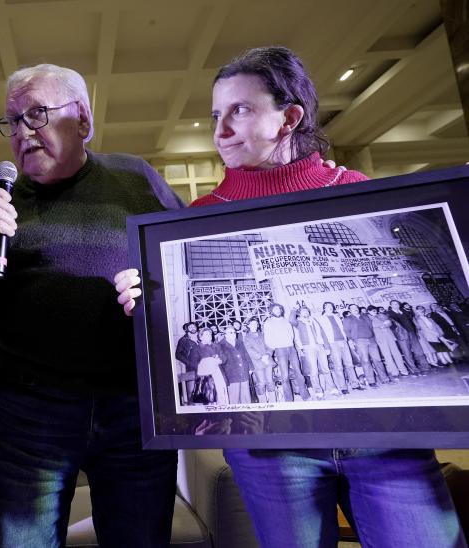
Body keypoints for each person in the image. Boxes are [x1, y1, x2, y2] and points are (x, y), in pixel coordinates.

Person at [116, 46, 465, 548]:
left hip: (387, 440)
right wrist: (145, 302)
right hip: (271, 451)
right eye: (216, 114)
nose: (220, 129)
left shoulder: (358, 191)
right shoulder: (198, 219)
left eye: (239, 109)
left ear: (290, 117)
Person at [0, 63, 181, 546]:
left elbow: (183, 263)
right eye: (12, 121)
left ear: (84, 121)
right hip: (30, 412)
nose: (21, 132)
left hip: (133, 407)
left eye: (37, 114)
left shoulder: (136, 178)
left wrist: (155, 289)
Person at [262, 302, 309, 401]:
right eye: (275, 309)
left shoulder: (286, 321)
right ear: (271, 311)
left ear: (281, 310)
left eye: (279, 309)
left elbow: (291, 334)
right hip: (280, 350)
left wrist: (291, 343)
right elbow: (268, 339)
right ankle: (289, 400)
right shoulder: (268, 322)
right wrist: (273, 348)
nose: (277, 311)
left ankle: (305, 396)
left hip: (291, 348)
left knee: (298, 372)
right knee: (285, 376)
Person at [343, 303, 392, 386]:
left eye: (356, 307)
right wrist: (352, 339)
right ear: (350, 310)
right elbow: (347, 331)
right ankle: (371, 381)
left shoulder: (365, 316)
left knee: (378, 360)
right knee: (365, 361)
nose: (355, 309)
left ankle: (385, 379)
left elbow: (370, 327)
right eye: (353, 308)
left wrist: (372, 336)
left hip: (371, 339)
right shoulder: (348, 319)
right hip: (360, 341)